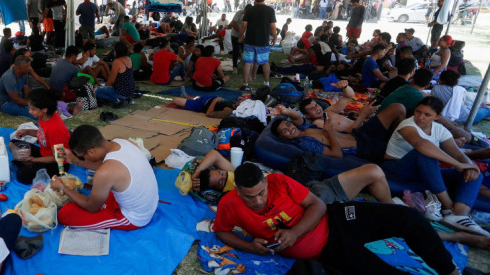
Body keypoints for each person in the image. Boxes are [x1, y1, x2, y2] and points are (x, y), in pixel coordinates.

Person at [213, 162, 477, 275]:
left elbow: (317, 205)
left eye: (261, 193)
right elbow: (223, 232)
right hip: (329, 251)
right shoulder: (229, 205)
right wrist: (250, 247)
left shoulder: (279, 182)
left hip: (337, 217)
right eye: (250, 197)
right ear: (238, 191)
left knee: (407, 217)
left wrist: (294, 232)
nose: (258, 201)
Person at [382, 97, 486, 236]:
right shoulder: (407, 125)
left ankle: (459, 216)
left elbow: (458, 154)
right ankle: (448, 206)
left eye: (427, 115)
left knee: (476, 174)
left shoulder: (440, 129)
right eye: (418, 112)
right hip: (397, 169)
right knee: (426, 153)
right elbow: (421, 145)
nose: (420, 117)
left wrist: (469, 165)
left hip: (423, 172)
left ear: (438, 117)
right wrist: (457, 164)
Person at [51, 125, 158, 230]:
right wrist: (75, 160)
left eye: (82, 156)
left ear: (91, 152)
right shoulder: (120, 141)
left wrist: (63, 188)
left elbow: (92, 207)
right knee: (99, 191)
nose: (83, 159)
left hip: (135, 217)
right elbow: (110, 168)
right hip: (149, 203)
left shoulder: (104, 172)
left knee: (65, 214)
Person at [193, 149, 393, 204]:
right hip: (313, 198)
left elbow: (215, 155)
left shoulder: (236, 174)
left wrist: (197, 173)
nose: (223, 175)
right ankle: (395, 212)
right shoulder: (242, 194)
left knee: (373, 170)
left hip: (312, 186)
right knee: (373, 172)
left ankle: (393, 209)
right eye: (221, 181)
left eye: (220, 172)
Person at [270, 101, 406, 163]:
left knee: (398, 107)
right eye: (284, 130)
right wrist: (329, 131)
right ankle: (393, 143)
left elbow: (297, 117)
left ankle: (394, 138)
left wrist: (285, 111)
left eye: (288, 124)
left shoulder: (304, 128)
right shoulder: (304, 143)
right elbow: (336, 154)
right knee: (405, 153)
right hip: (363, 148)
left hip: (360, 134)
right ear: (283, 137)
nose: (290, 128)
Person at [9, 89, 71, 184]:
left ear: (44, 110)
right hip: (44, 153)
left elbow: (58, 158)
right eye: (30, 108)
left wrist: (34, 159)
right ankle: (30, 164)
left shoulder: (56, 129)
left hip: (58, 164)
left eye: (33, 109)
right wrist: (27, 131)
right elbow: (42, 133)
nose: (30, 111)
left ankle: (30, 164)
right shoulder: (44, 117)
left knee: (22, 175)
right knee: (13, 144)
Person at [238, 0, 277, 91]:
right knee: (265, 62)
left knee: (248, 63)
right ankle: (267, 83)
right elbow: (273, 27)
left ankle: (245, 84)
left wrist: (240, 36)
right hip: (263, 40)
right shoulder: (270, 10)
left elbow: (243, 26)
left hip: (250, 40)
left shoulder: (250, 10)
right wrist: (275, 38)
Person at [0, 55, 35, 119]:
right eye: (28, 66)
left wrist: (32, 101)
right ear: (21, 67)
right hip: (6, 104)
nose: (29, 68)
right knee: (32, 112)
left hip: (19, 99)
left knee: (36, 106)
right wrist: (31, 104)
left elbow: (26, 89)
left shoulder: (24, 73)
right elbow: (16, 100)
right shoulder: (9, 77)